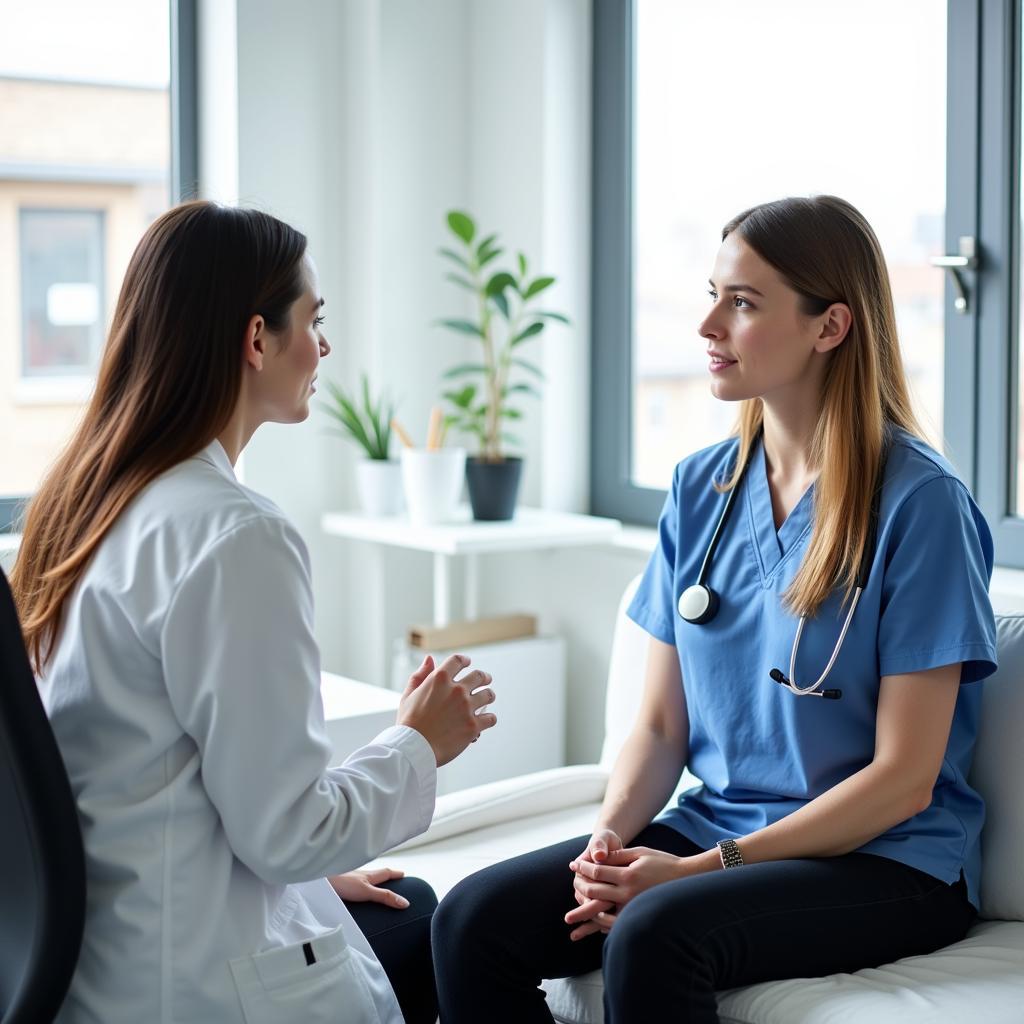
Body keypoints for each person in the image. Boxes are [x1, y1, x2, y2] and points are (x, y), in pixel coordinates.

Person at [431, 195, 998, 1023]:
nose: (706, 325)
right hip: (716, 825)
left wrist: (704, 871)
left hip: (889, 860)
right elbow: (662, 730)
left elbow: (904, 781)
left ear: (829, 327)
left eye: (741, 302)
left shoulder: (920, 504)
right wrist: (609, 841)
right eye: (713, 293)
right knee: (473, 920)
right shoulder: (703, 487)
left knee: (657, 932)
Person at [10, 199, 496, 1024]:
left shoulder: (77, 507)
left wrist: (307, 880)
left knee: (397, 903)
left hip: (99, 958)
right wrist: (419, 741)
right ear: (256, 339)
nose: (325, 347)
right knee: (434, 923)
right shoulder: (236, 535)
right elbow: (289, 835)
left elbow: (142, 777)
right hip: (189, 982)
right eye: (314, 319)